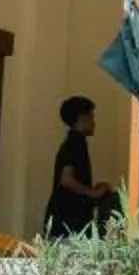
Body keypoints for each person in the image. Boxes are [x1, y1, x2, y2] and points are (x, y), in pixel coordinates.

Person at [42, 94, 114, 239]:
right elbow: (66, 179)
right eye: (91, 117)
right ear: (82, 118)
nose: (94, 123)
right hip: (67, 223)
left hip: (65, 222)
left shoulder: (74, 143)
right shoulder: (75, 144)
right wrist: (92, 193)